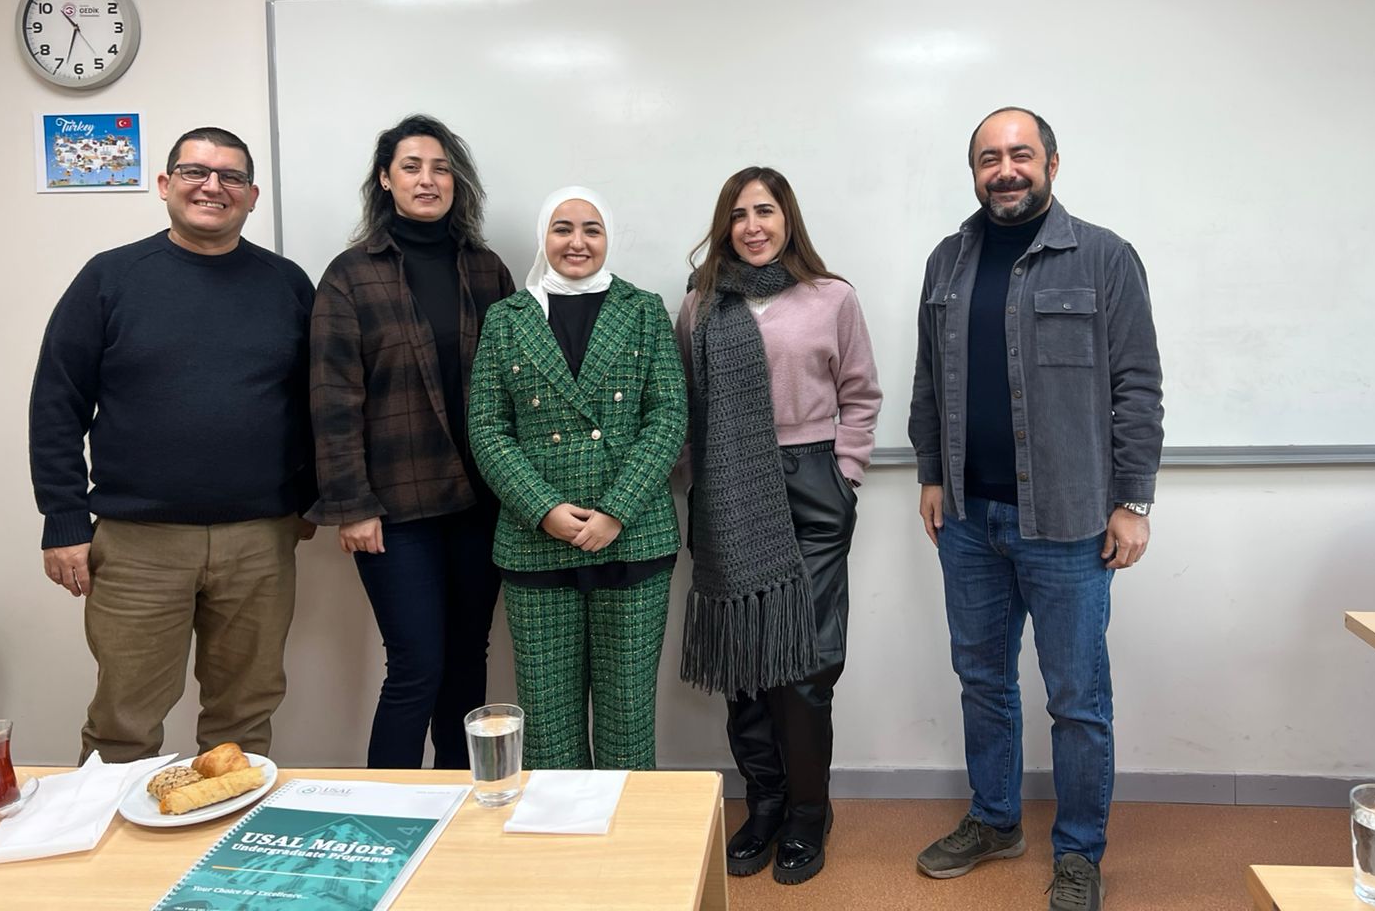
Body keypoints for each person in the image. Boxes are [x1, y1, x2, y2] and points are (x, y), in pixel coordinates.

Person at [909, 107, 1164, 911]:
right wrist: (930, 472)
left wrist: (1133, 501)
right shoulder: (947, 260)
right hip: (969, 520)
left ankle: (1080, 853)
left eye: (1021, 154)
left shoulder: (1104, 257)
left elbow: (1138, 386)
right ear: (974, 172)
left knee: (1076, 700)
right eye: (989, 158)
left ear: (1053, 163)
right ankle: (995, 820)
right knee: (982, 680)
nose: (1005, 169)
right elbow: (929, 379)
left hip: (1070, 521)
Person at [29, 126, 316, 763]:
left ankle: (229, 828)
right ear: (165, 185)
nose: (213, 186)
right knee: (123, 724)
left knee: (243, 722)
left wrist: (309, 497)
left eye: (231, 176)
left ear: (252, 196)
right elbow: (56, 403)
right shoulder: (109, 278)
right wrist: (63, 520)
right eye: (194, 172)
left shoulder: (288, 284)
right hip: (138, 545)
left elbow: (316, 400)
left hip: (259, 541)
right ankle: (110, 832)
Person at [675, 166, 882, 886]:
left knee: (804, 666)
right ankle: (763, 806)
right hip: (728, 487)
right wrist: (698, 483)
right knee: (745, 660)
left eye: (764, 211)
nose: (752, 226)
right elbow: (686, 406)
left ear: (787, 219)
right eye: (738, 215)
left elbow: (861, 393)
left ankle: (807, 813)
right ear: (725, 226)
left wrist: (845, 477)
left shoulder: (832, 297)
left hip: (811, 486)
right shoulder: (701, 305)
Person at [308, 115, 514, 769]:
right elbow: (332, 399)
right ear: (385, 180)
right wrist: (352, 505)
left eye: (441, 168)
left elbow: (516, 383)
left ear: (458, 181)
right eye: (412, 167)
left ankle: (461, 798)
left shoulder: (485, 270)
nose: (428, 180)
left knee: (467, 659)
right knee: (416, 665)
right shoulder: (350, 276)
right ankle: (385, 810)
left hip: (480, 504)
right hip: (394, 509)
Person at [469, 187, 686, 770]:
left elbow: (668, 415)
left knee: (627, 718)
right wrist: (543, 509)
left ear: (607, 237)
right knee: (547, 725)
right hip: (535, 541)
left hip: (633, 539)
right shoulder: (507, 318)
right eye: (562, 228)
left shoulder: (644, 310)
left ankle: (626, 829)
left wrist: (616, 510)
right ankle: (561, 829)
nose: (577, 241)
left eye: (592, 229)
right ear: (544, 237)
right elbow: (488, 428)